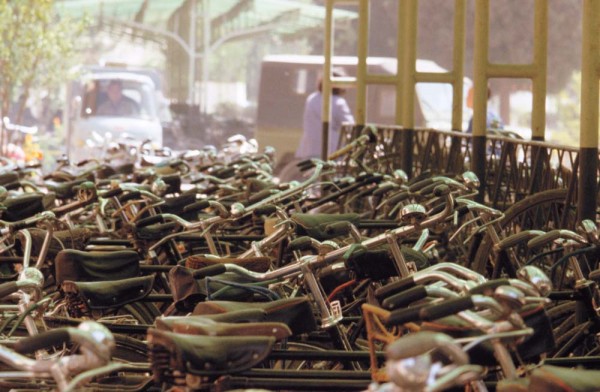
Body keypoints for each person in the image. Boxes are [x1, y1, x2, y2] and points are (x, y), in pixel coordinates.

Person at [295, 72, 355, 159]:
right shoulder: (338, 102)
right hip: (331, 149)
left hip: (308, 149)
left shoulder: (312, 98)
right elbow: (350, 125)